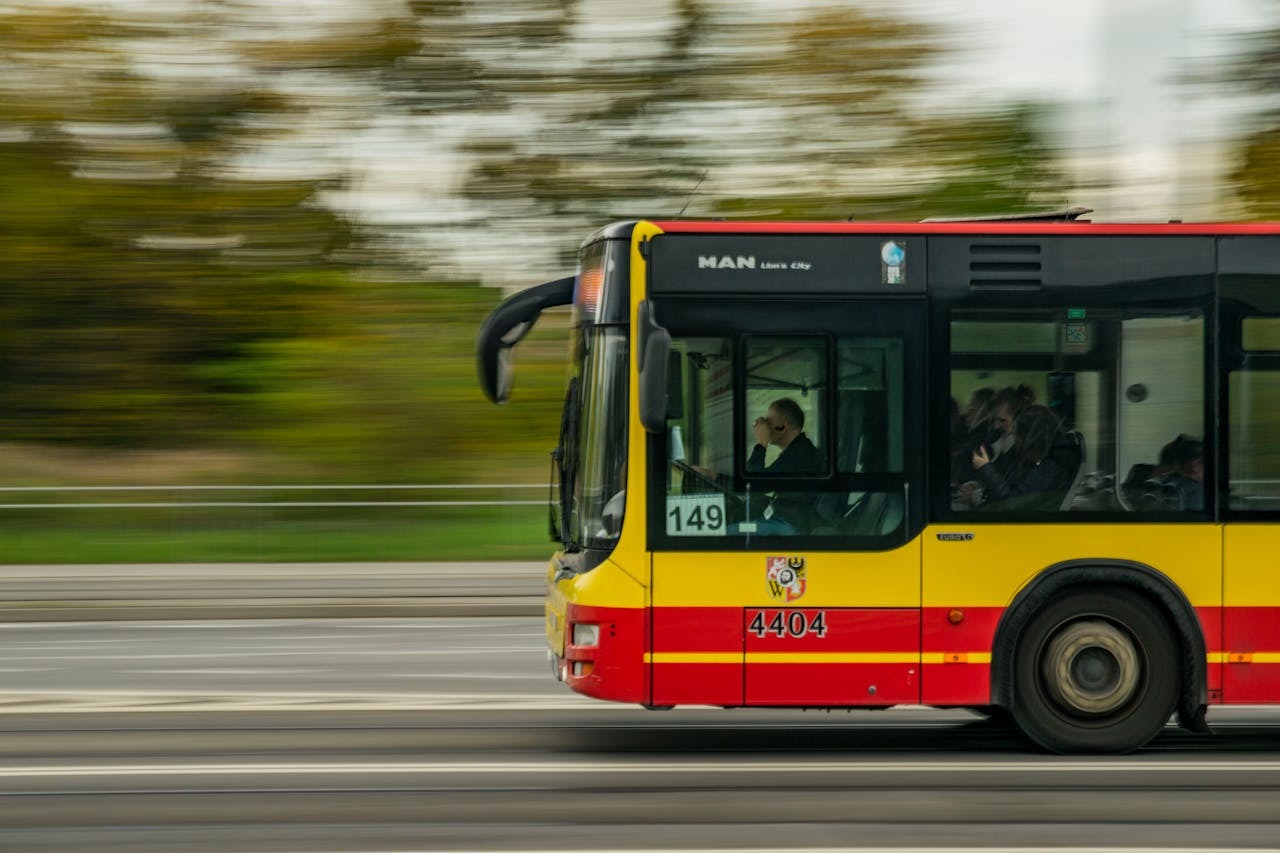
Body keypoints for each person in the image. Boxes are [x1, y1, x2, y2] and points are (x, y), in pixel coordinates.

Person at [971, 404, 1072, 509]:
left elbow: (1015, 502)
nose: (1014, 438)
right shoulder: (1030, 460)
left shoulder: (1050, 467)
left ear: (1030, 438)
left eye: (1017, 434)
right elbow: (1006, 483)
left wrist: (986, 469)